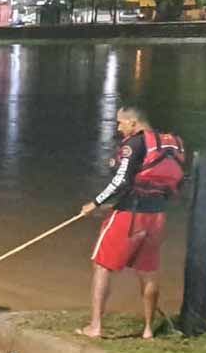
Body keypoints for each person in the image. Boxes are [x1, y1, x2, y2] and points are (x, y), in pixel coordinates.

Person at [78, 106, 185, 340]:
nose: (119, 127)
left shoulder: (134, 144)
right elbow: (171, 185)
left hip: (129, 216)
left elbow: (120, 181)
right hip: (156, 217)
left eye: (121, 123)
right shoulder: (166, 145)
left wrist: (95, 203)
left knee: (102, 266)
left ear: (134, 123)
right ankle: (148, 330)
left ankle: (95, 327)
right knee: (148, 272)